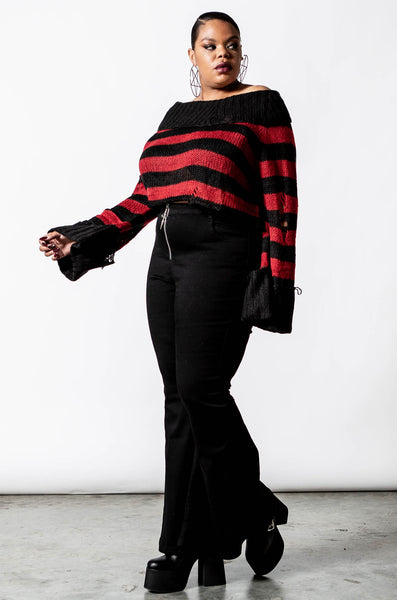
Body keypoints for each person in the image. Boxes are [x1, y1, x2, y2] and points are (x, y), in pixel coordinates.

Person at [38, 11, 298, 594]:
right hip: (166, 260)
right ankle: (187, 543)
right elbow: (143, 199)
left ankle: (240, 517)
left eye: (231, 45)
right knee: (180, 399)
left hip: (225, 254)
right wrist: (79, 238)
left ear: (242, 52)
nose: (222, 54)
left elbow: (282, 201)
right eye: (209, 45)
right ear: (192, 55)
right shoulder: (176, 117)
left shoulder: (262, 106)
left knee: (202, 390)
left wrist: (274, 282)